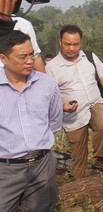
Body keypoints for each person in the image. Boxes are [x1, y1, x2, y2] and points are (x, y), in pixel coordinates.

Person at [45, 25, 103, 178]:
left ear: (81, 42)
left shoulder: (89, 57)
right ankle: (80, 187)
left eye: (76, 44)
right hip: (73, 115)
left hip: (95, 102)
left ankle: (99, 160)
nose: (72, 48)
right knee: (79, 157)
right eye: (68, 44)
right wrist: (62, 107)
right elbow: (48, 97)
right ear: (60, 42)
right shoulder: (51, 68)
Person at [0, 30, 63, 212]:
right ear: (4, 59)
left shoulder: (47, 84)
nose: (30, 61)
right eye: (22, 57)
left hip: (42, 166)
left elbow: (55, 122)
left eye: (31, 54)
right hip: (5, 169)